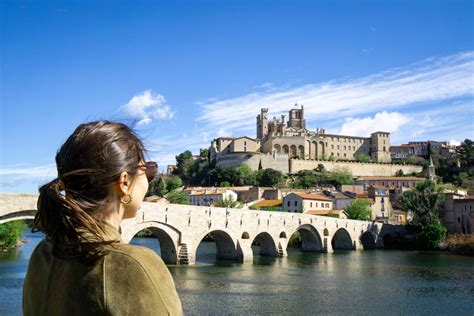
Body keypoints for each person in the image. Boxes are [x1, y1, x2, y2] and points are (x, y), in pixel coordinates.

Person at [23, 121, 183, 315]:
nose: (149, 182)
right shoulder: (134, 266)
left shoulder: (42, 254)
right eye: (147, 172)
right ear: (124, 182)